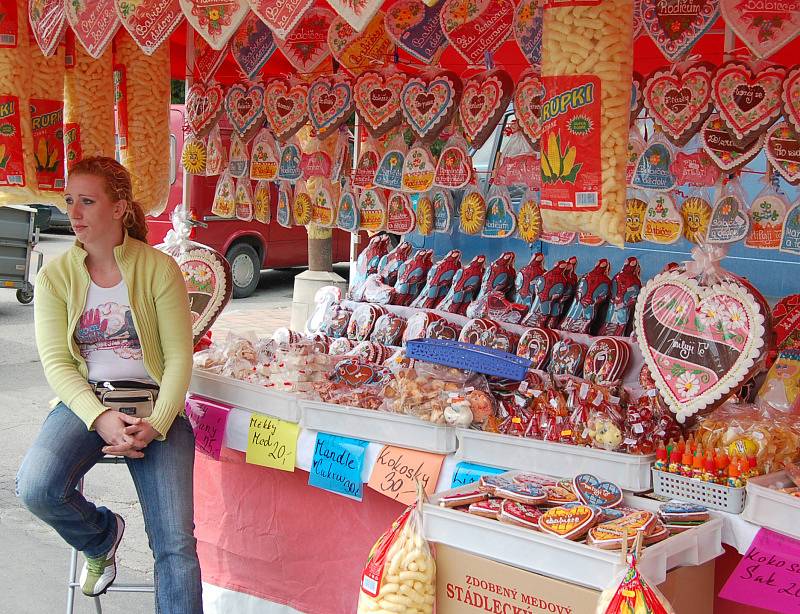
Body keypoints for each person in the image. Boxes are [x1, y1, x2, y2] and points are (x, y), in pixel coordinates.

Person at [15, 156, 203, 613]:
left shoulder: (158, 268)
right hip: (88, 403)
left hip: (155, 406)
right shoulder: (55, 276)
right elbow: (58, 363)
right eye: (69, 202)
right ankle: (101, 536)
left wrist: (158, 422)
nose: (74, 213)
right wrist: (99, 418)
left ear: (119, 208)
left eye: (87, 201)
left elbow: (180, 356)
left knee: (175, 543)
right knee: (36, 487)